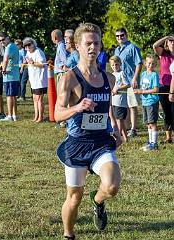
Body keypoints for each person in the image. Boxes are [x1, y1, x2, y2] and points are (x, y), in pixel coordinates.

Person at [55, 23, 122, 239]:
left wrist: (116, 130)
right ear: (78, 46)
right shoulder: (69, 78)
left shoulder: (109, 78)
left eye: (96, 43)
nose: (93, 47)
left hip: (101, 142)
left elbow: (107, 107)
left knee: (111, 186)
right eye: (88, 43)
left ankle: (98, 200)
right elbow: (56, 114)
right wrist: (78, 107)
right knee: (74, 197)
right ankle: (69, 234)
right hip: (77, 144)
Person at [114, 27, 143, 137]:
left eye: (122, 35)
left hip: (131, 81)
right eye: (117, 36)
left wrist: (135, 78)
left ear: (126, 35)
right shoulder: (117, 50)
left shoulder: (133, 48)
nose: (120, 37)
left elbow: (139, 63)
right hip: (121, 83)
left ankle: (133, 129)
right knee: (123, 105)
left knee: (132, 105)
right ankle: (125, 128)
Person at [134, 55, 160, 151]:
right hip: (145, 102)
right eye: (149, 63)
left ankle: (154, 144)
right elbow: (143, 87)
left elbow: (155, 89)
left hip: (152, 101)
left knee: (152, 123)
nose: (151, 65)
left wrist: (142, 92)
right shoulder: (143, 74)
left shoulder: (154, 75)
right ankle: (150, 141)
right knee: (148, 123)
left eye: (153, 63)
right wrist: (139, 90)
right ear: (145, 63)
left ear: (155, 65)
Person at [153, 35, 174, 143]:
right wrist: (166, 37)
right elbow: (155, 45)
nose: (173, 43)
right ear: (167, 43)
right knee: (166, 112)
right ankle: (168, 137)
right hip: (163, 86)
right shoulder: (163, 53)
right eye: (171, 41)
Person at [22, 37, 48, 123]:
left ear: (33, 44)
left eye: (29, 45)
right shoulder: (28, 53)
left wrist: (33, 63)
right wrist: (26, 62)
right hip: (33, 80)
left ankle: (40, 117)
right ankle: (36, 116)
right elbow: (26, 60)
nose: (27, 48)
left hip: (40, 80)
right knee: (34, 99)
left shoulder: (38, 52)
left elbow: (42, 64)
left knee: (39, 99)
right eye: (25, 46)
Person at [0, 32, 20, 122]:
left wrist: (3, 69)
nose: (1, 42)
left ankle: (10, 116)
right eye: (0, 40)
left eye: (3, 39)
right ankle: (14, 115)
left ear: (8, 38)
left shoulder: (9, 47)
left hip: (10, 76)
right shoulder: (12, 46)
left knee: (9, 96)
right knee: (13, 96)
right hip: (14, 75)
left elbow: (6, 59)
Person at [110, 56, 130, 142]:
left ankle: (117, 137)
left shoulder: (122, 73)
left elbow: (127, 84)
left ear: (120, 64)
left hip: (121, 101)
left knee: (119, 119)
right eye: (113, 65)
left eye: (116, 64)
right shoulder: (112, 75)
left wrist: (118, 88)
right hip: (114, 101)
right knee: (119, 119)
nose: (115, 67)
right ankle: (126, 138)